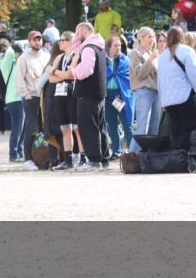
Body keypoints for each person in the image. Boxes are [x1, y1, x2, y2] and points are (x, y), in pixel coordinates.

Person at [55, 22, 107, 172]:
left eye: (77, 34)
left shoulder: (88, 49)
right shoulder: (99, 46)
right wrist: (78, 45)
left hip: (87, 93)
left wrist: (73, 70)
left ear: (84, 32)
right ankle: (103, 158)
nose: (75, 37)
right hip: (98, 93)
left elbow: (85, 71)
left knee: (89, 127)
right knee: (100, 127)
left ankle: (93, 160)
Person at [157, 27, 196, 152]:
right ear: (182, 37)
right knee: (191, 128)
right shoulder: (187, 51)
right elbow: (195, 75)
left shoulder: (163, 56)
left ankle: (177, 157)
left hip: (169, 101)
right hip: (184, 97)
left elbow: (160, 81)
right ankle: (188, 156)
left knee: (176, 129)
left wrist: (162, 101)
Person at [46, 33, 83, 170]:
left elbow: (71, 74)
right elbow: (51, 79)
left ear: (71, 41)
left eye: (63, 40)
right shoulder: (59, 57)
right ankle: (68, 160)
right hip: (59, 95)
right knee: (65, 128)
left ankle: (81, 157)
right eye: (60, 40)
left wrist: (55, 71)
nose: (60, 42)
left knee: (76, 128)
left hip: (72, 95)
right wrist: (61, 74)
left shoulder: (76, 55)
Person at [17, 31, 49, 170]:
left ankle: (43, 156)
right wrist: (26, 94)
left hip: (45, 96)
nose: (38, 42)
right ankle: (28, 158)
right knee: (31, 127)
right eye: (35, 40)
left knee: (45, 127)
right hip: (31, 97)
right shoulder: (24, 58)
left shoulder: (47, 56)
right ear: (30, 41)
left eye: (39, 40)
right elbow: (19, 78)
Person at [129, 27, 161, 153]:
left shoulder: (150, 53)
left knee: (155, 126)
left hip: (156, 91)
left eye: (153, 37)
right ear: (141, 38)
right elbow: (140, 74)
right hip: (144, 91)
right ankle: (133, 155)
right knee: (142, 125)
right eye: (149, 37)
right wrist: (151, 59)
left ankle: (150, 155)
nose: (152, 40)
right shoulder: (135, 53)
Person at [104, 36, 134, 156]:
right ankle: (116, 151)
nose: (118, 48)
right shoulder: (103, 60)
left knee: (127, 125)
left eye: (120, 45)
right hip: (107, 96)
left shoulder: (125, 60)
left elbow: (127, 78)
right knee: (112, 126)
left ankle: (133, 151)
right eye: (115, 45)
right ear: (108, 47)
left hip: (121, 95)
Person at [0, 39, 24, 162]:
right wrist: (10, 46)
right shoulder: (7, 63)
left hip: (18, 98)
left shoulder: (15, 63)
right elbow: (9, 53)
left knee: (21, 127)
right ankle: (13, 154)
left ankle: (19, 152)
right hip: (14, 99)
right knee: (17, 128)